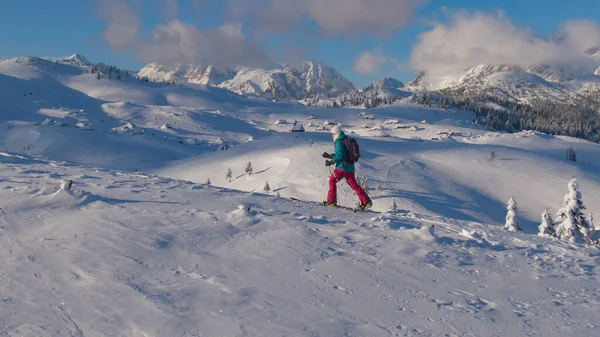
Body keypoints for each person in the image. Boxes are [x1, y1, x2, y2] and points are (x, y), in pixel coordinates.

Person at [322, 125, 372, 210]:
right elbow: (343, 154)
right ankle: (366, 202)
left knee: (332, 180)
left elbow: (340, 156)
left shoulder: (339, 141)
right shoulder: (345, 139)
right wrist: (330, 156)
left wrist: (331, 162)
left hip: (342, 167)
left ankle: (331, 202)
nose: (332, 136)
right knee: (354, 185)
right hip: (350, 167)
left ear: (336, 133)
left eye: (332, 134)